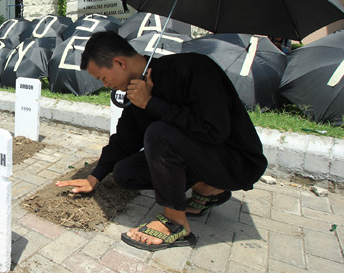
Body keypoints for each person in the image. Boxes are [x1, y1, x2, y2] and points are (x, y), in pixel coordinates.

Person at [56, 31, 267, 251]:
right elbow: (126, 140)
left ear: (119, 63)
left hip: (236, 162)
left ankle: (175, 222)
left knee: (159, 133)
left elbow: (214, 131)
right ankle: (209, 189)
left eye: (103, 78)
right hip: (203, 158)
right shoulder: (135, 91)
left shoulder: (193, 68)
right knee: (124, 173)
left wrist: (151, 103)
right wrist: (94, 177)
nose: (106, 85)